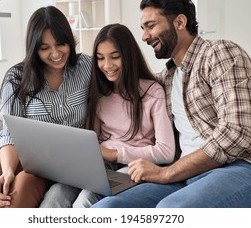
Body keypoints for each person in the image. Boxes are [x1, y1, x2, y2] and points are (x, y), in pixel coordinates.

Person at [92, 0, 251, 208]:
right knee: (106, 209)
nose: (144, 36)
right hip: (186, 176)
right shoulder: (167, 79)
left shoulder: (220, 54)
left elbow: (237, 133)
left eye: (151, 26)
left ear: (180, 22)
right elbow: (128, 85)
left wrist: (166, 173)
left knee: (171, 211)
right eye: (142, 29)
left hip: (243, 168)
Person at [0, 5, 92, 208]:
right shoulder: (16, 77)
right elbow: (9, 132)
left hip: (56, 160)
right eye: (44, 48)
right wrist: (7, 172)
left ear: (69, 40)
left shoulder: (87, 67)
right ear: (33, 48)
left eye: (60, 44)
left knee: (17, 193)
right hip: (16, 150)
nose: (55, 53)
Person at [69, 23, 176, 207]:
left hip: (134, 165)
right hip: (102, 164)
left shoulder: (152, 91)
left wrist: (114, 154)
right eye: (100, 58)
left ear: (128, 56)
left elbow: (166, 152)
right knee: (59, 194)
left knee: (86, 199)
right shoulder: (99, 94)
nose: (107, 65)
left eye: (115, 57)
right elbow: (93, 140)